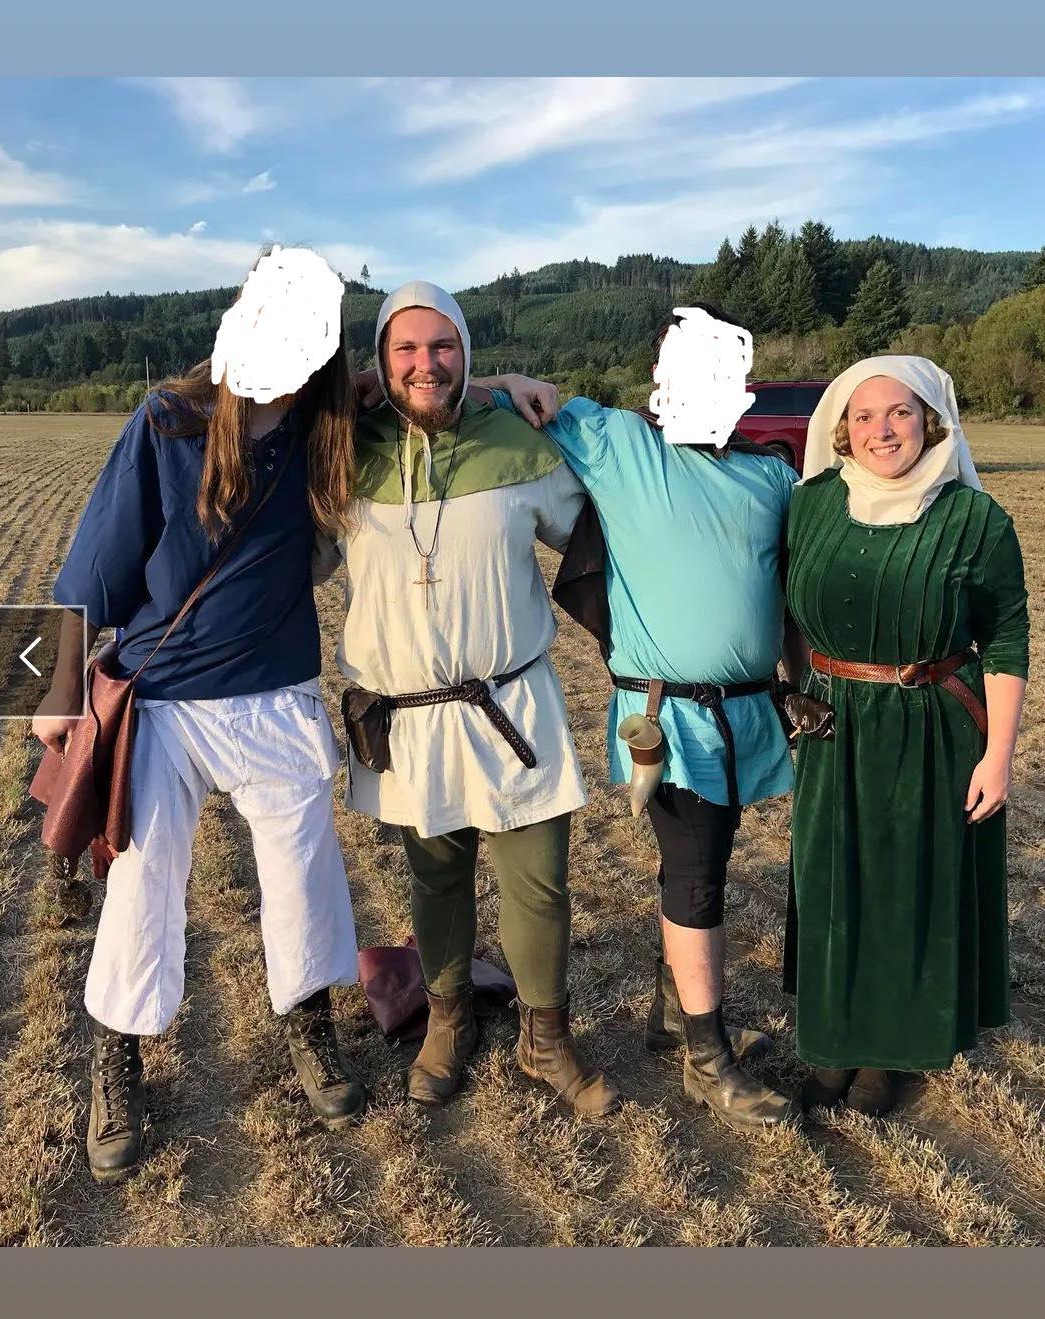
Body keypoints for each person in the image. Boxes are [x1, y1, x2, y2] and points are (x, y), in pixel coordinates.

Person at [31, 247, 365, 1184]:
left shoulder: (328, 420)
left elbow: (428, 379)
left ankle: (310, 1027)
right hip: (166, 699)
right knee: (142, 881)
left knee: (304, 874)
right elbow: (94, 561)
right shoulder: (168, 422)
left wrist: (507, 377)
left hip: (276, 692)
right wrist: (43, 696)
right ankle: (118, 1057)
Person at [474, 302, 803, 1132]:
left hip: (746, 717)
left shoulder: (769, 476)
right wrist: (507, 378)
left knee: (704, 862)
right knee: (695, 875)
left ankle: (669, 1013)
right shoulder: (619, 444)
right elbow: (499, 401)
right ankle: (706, 1058)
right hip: (671, 725)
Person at [327, 281, 618, 1118]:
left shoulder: (518, 443)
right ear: (381, 361)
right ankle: (447, 1019)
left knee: (539, 879)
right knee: (437, 877)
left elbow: (592, 535)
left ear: (466, 351)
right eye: (407, 349)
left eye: (442, 346)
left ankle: (546, 1036)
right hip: (408, 716)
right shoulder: (348, 450)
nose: (427, 363)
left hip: (509, 705)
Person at [782, 355, 1029, 1117]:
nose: (882, 429)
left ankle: (889, 1054)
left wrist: (998, 754)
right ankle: (832, 1041)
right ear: (842, 432)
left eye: (899, 412)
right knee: (832, 882)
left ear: (932, 420)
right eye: (863, 415)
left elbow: (1009, 638)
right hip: (833, 725)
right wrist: (795, 687)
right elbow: (786, 607)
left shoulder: (975, 521)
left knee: (904, 886)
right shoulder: (811, 504)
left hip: (931, 724)